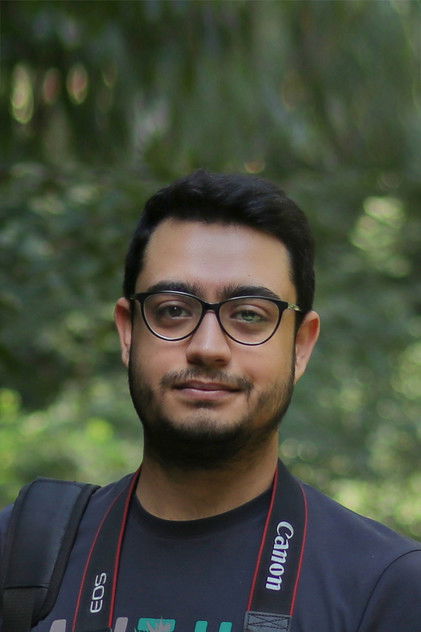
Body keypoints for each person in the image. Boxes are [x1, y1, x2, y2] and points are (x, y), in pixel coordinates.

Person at [0, 170, 420, 632]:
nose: (208, 347)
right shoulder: (19, 557)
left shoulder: (386, 589)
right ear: (128, 331)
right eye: (173, 310)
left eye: (249, 315)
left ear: (301, 345)